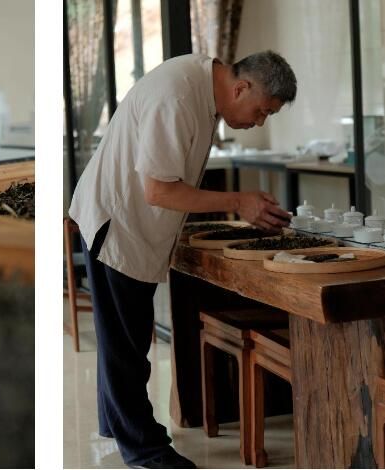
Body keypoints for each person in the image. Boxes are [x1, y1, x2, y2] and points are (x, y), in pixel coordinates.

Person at [68, 50, 297, 469]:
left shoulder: (202, 85)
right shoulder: (175, 96)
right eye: (263, 111)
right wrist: (238, 202)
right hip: (116, 221)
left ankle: (114, 423)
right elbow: (158, 190)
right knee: (126, 346)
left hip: (128, 219)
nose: (260, 121)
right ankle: (146, 451)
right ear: (241, 88)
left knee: (124, 337)